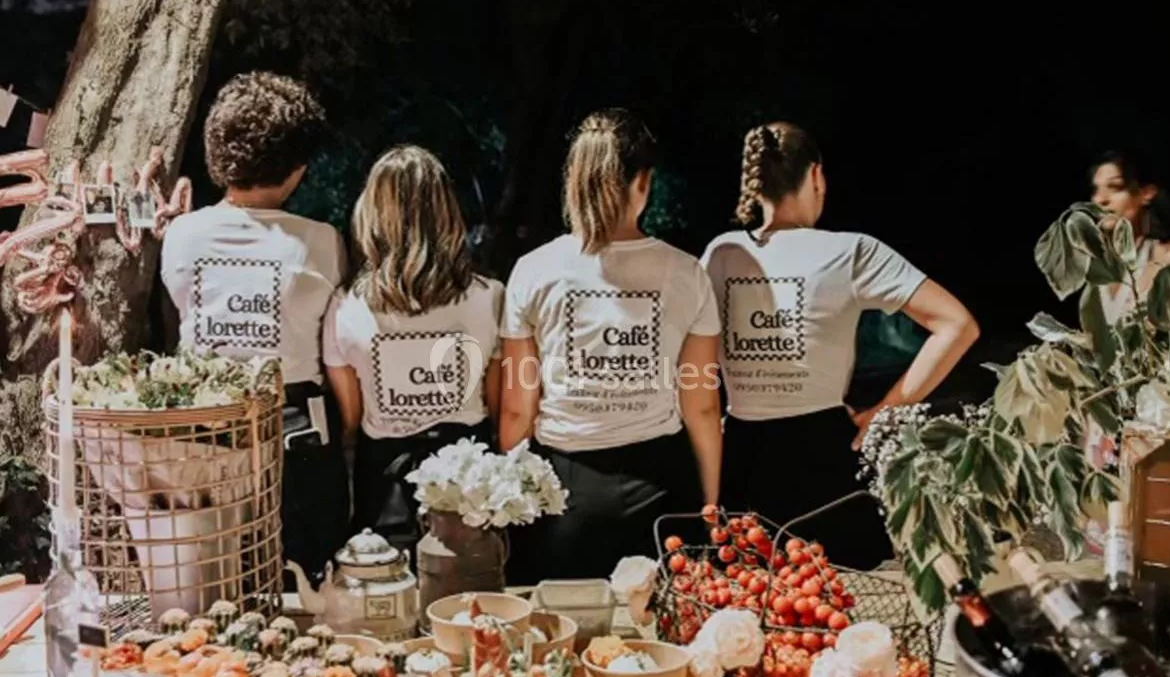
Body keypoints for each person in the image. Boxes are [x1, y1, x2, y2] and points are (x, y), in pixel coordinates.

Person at [702, 122, 978, 570]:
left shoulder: (721, 253)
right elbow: (957, 325)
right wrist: (884, 410)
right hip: (823, 458)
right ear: (816, 176)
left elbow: (697, 354)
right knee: (836, 595)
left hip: (741, 459)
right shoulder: (851, 251)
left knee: (742, 595)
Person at [499, 109, 723, 582]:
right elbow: (701, 405)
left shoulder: (534, 270)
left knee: (564, 626)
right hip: (661, 488)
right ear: (643, 182)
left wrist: (507, 499)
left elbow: (518, 408)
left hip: (562, 493)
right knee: (664, 626)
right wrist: (709, 506)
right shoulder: (687, 272)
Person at [160, 71, 349, 582]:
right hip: (297, 430)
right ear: (296, 169)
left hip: (203, 431)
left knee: (213, 577)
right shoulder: (322, 242)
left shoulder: (181, 236)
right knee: (305, 581)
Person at [323, 146, 503, 554]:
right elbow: (495, 401)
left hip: (383, 483)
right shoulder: (490, 297)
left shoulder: (345, 306)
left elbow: (351, 417)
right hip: (470, 479)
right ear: (447, 212)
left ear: (372, 215)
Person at [1090, 150, 1170, 323]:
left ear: (1146, 193)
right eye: (1096, 189)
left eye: (1115, 187)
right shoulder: (1099, 269)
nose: (1100, 199)